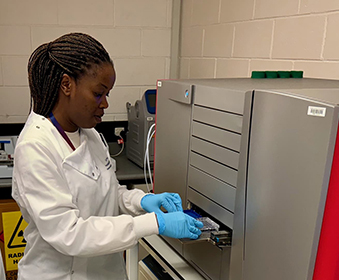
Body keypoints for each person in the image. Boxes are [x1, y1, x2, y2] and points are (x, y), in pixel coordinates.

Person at [11, 33, 203, 280]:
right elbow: (70, 234)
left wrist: (141, 201)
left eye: (107, 95)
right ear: (67, 85)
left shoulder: (89, 133)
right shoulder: (35, 147)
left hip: (105, 271)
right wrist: (154, 223)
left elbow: (108, 191)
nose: (105, 104)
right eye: (98, 94)